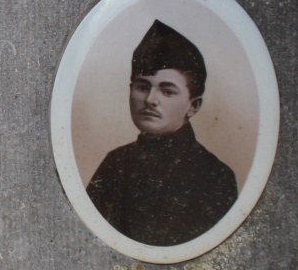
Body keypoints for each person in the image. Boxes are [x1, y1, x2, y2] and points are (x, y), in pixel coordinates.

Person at [85, 20, 237, 247]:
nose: (149, 100)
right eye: (143, 86)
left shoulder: (215, 176)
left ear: (193, 106)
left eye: (167, 91)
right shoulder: (116, 162)